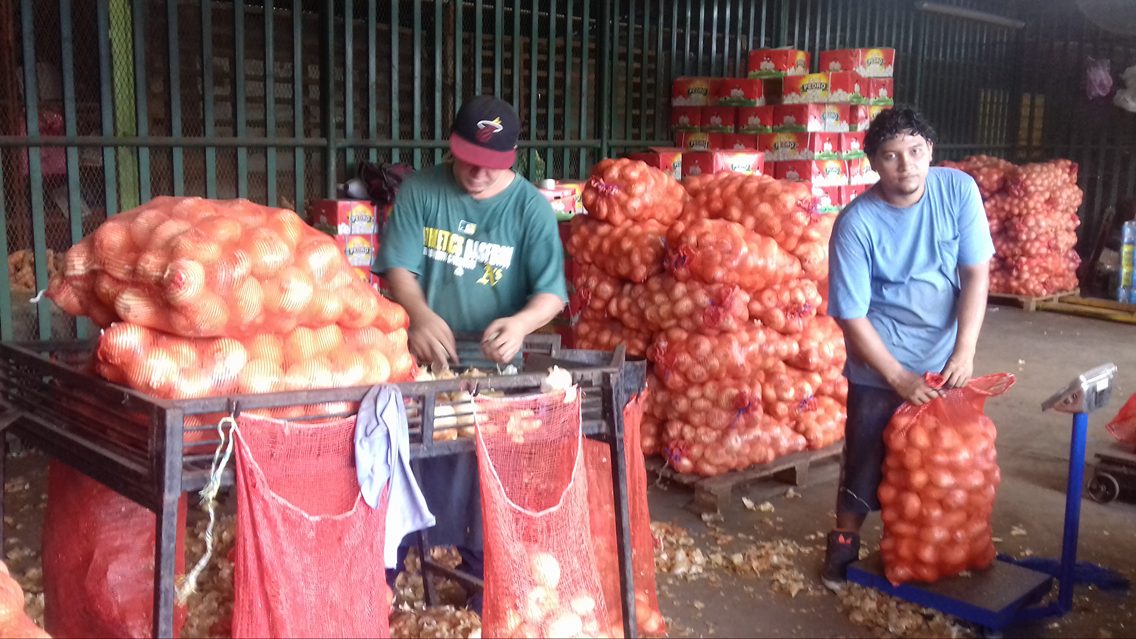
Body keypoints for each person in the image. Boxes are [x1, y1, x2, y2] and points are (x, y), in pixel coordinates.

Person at [372, 95, 568, 607]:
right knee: (406, 461)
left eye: (491, 167)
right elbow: (399, 268)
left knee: (486, 479)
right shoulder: (421, 191)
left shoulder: (530, 210)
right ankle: (385, 582)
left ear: (513, 158)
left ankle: (481, 584)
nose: (478, 175)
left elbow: (551, 293)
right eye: (467, 161)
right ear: (451, 145)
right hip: (425, 362)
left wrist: (521, 324)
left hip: (495, 367)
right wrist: (416, 313)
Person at [822, 106, 995, 590]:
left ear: (931, 152)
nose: (907, 166)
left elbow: (976, 273)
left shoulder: (957, 191)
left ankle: (937, 545)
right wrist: (898, 376)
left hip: (944, 363)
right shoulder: (857, 223)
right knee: (863, 455)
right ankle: (843, 545)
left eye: (916, 152)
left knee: (941, 462)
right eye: (891, 156)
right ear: (874, 164)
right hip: (882, 362)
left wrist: (964, 351)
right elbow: (850, 315)